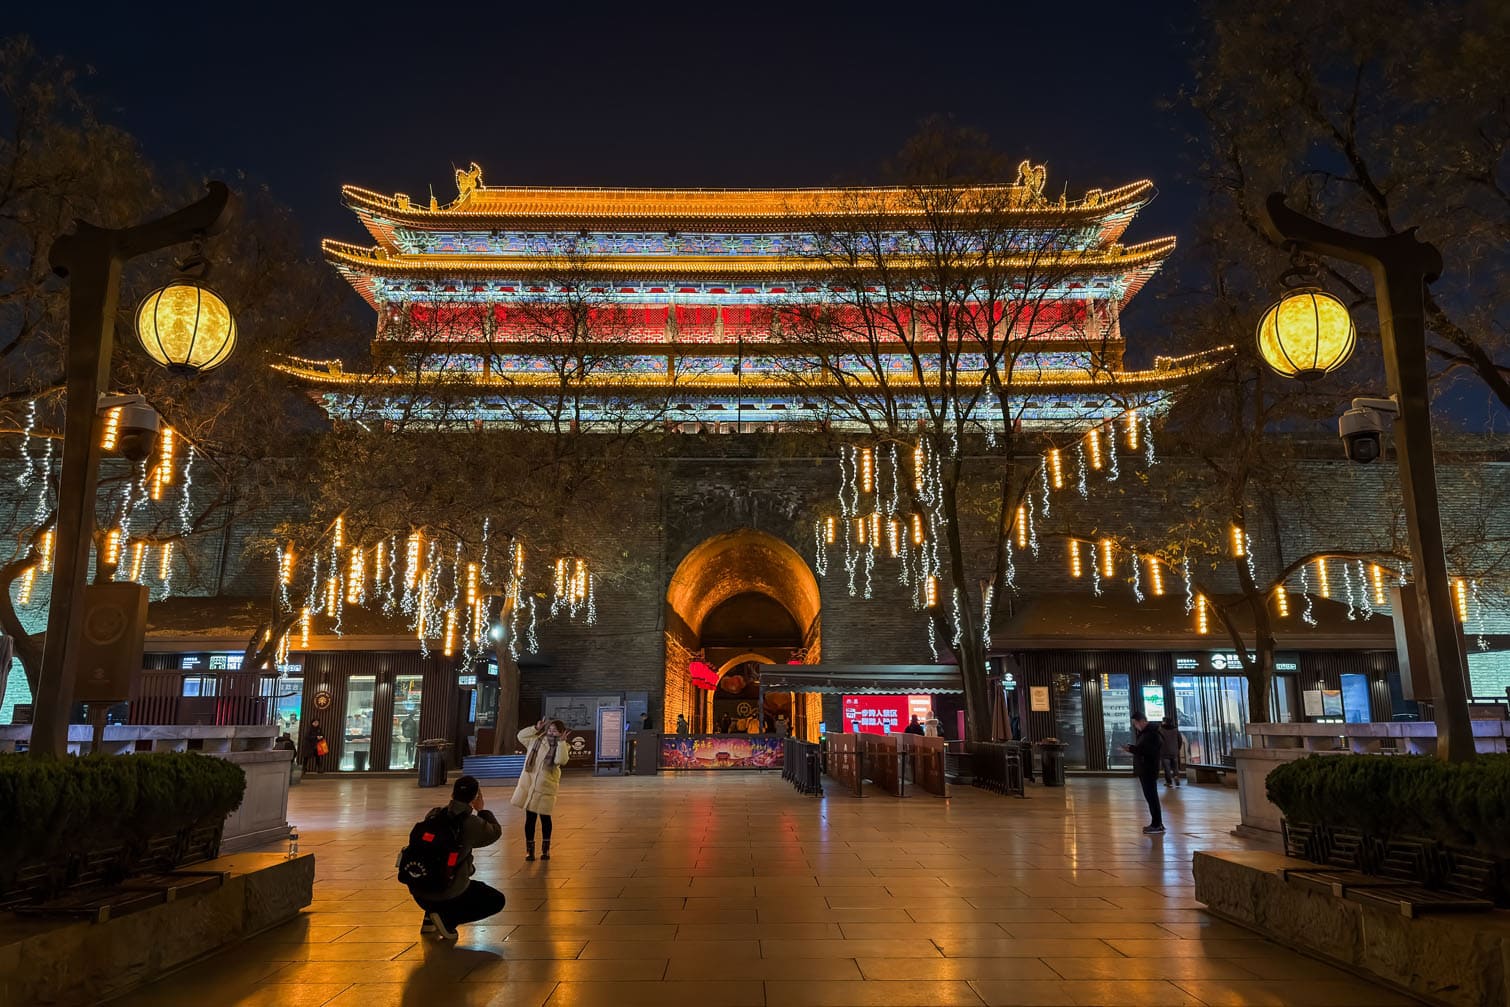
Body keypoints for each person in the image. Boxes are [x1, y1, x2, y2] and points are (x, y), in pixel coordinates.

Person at [408, 775, 505, 940]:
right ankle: (447, 920)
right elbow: (495, 832)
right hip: (447, 892)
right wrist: (481, 810)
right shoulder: (471, 823)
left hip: (419, 890)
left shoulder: (434, 814)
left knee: (438, 866)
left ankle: (430, 916)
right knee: (496, 900)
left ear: (452, 794)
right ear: (475, 797)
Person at [512, 718, 571, 861]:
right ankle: (529, 850)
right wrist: (535, 728)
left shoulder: (563, 746)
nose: (551, 732)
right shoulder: (536, 740)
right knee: (530, 819)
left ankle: (545, 849)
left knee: (545, 818)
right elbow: (520, 736)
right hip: (529, 785)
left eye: (555, 730)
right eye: (549, 729)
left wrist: (561, 742)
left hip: (546, 786)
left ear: (561, 733)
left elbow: (561, 760)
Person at [1123, 713, 1165, 834]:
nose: (1135, 726)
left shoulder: (1151, 734)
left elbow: (1148, 751)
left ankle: (1157, 824)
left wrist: (1131, 749)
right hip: (1145, 769)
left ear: (1141, 721)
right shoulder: (1146, 733)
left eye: (1135, 723)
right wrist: (1132, 748)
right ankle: (1156, 823)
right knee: (1150, 797)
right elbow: (1144, 749)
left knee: (1152, 797)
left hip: (1148, 769)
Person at [1159, 717, 1184, 787]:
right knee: (1175, 767)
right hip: (1174, 752)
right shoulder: (1175, 730)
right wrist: (1177, 748)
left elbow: (1158, 740)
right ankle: (1176, 777)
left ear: (1165, 722)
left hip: (1164, 752)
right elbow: (1180, 740)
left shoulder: (1161, 730)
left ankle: (1169, 782)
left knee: (1167, 768)